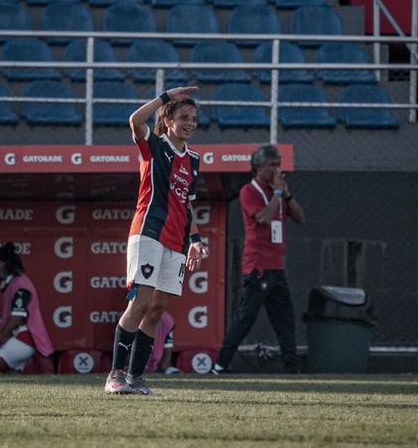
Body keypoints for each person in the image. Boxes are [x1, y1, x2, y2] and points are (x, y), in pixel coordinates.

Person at [104, 87, 209, 396]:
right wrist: (165, 97)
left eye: (194, 119)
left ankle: (136, 377)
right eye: (184, 117)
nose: (190, 123)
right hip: (148, 232)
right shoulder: (154, 145)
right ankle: (115, 374)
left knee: (158, 308)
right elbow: (135, 120)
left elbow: (187, 204)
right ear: (168, 119)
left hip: (177, 240)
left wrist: (197, 240)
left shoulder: (193, 160)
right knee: (142, 302)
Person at [212, 144, 305, 375]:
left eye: (278, 165)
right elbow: (264, 218)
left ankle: (291, 368)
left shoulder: (279, 192)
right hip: (257, 267)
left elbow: (300, 217)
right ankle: (220, 365)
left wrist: (286, 194)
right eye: (271, 165)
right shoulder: (249, 191)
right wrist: (275, 193)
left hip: (276, 267)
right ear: (258, 168)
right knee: (245, 318)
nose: (276, 170)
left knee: (285, 320)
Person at [0, 243, 54, 375]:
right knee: (12, 377)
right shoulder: (15, 283)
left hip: (24, 339)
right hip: (22, 338)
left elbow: (16, 320)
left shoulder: (20, 285)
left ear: (1, 265)